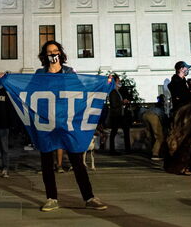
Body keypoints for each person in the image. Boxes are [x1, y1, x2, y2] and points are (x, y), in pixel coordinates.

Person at [35, 40, 107, 212]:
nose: (53, 54)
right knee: (46, 162)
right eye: (49, 52)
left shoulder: (69, 72)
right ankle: (51, 198)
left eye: (55, 50)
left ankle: (89, 197)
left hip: (68, 123)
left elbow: (82, 92)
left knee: (77, 161)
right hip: (48, 123)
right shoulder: (40, 74)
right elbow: (30, 92)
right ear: (45, 56)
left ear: (60, 53)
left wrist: (105, 83)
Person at [106, 74, 131, 154]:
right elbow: (113, 104)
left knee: (125, 130)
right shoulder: (113, 92)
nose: (119, 82)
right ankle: (112, 150)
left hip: (120, 115)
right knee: (114, 132)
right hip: (116, 115)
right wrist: (122, 102)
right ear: (114, 82)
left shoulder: (117, 92)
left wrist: (123, 102)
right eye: (118, 80)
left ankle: (127, 149)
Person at [141, 96, 167, 162]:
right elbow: (163, 118)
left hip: (145, 115)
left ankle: (150, 150)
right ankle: (155, 154)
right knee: (159, 137)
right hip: (154, 115)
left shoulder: (155, 105)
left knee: (151, 135)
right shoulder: (162, 105)